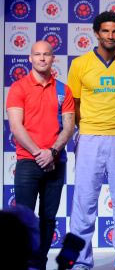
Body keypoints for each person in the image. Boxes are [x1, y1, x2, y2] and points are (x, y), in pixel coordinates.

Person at [67, 11, 115, 270]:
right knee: (83, 204)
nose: (110, 36)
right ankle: (79, 261)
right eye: (105, 31)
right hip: (89, 137)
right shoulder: (80, 64)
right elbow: (74, 105)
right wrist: (85, 129)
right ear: (96, 33)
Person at [6, 40, 75, 270]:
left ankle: (40, 263)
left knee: (48, 218)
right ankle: (22, 263)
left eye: (47, 54)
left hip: (56, 162)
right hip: (28, 162)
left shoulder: (63, 89)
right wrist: (39, 153)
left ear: (53, 58)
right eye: (38, 54)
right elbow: (16, 126)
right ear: (30, 58)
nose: (42, 58)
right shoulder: (18, 88)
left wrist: (52, 152)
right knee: (23, 220)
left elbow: (68, 127)